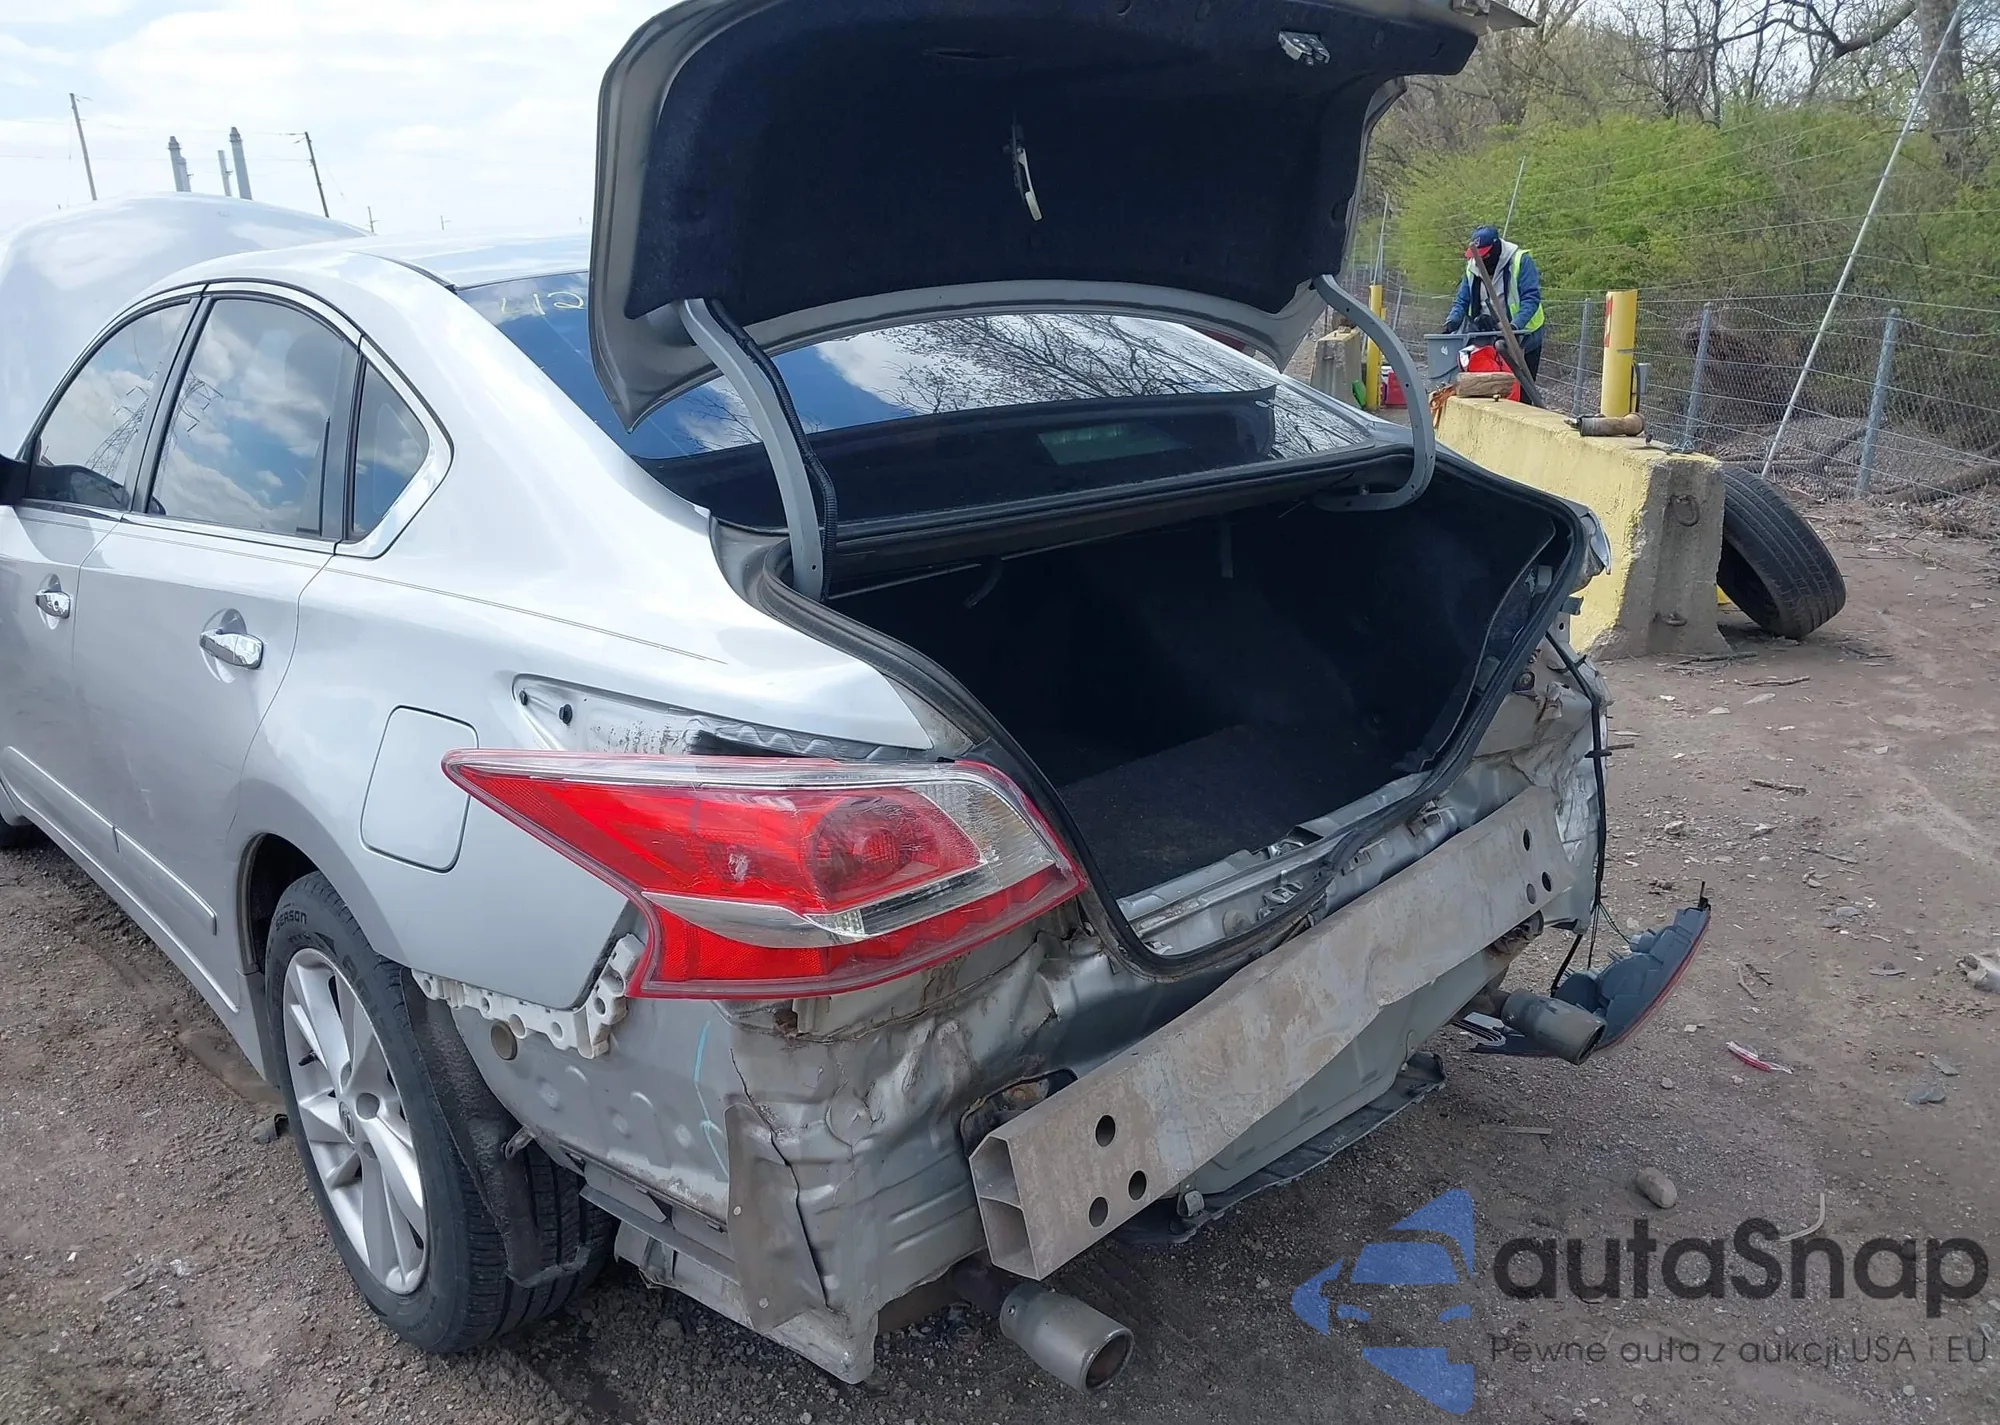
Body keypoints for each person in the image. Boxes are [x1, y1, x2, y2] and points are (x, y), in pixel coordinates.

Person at [1444, 225, 1545, 379]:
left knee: (1522, 385)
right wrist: (1452, 322)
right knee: (1489, 385)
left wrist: (1514, 326)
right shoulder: (1472, 268)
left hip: (1525, 335)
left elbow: (1530, 298)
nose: (1480, 261)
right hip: (1488, 336)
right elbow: (1462, 300)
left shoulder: (1520, 261)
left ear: (1495, 249)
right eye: (1477, 256)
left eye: (1484, 256)